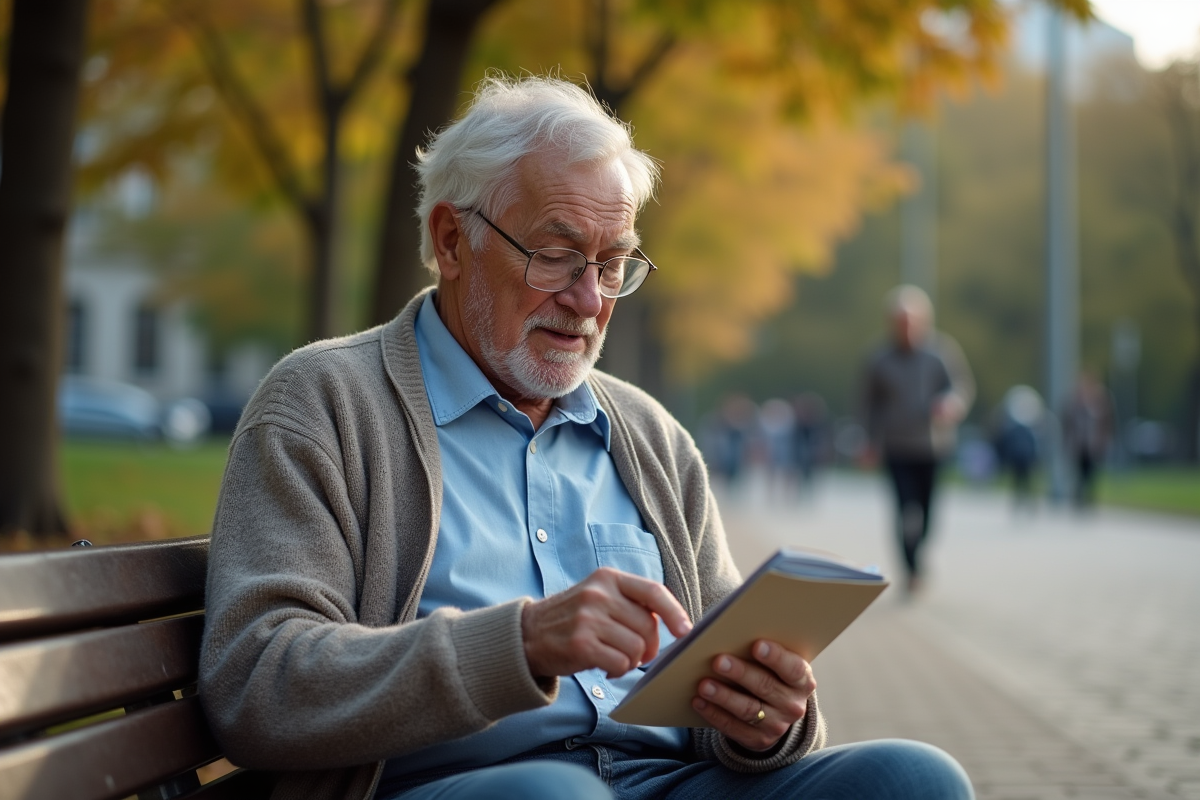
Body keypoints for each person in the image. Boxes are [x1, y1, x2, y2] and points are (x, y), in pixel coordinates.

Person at [199, 77, 973, 800]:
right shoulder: (324, 402)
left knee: (915, 779)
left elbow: (747, 697)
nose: (588, 300)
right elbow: (258, 683)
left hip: (663, 778)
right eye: (559, 255)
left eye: (613, 266)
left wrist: (773, 716)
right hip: (479, 786)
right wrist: (521, 643)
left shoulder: (650, 436)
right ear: (452, 240)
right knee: (558, 794)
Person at [860, 285, 974, 595]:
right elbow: (868, 403)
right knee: (904, 509)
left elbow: (961, 387)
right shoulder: (879, 358)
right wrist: (869, 442)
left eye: (912, 322)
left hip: (933, 446)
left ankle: (919, 552)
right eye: (900, 322)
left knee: (927, 512)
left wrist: (952, 404)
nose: (907, 329)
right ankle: (911, 569)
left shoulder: (941, 351)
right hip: (897, 446)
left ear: (924, 321)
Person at [1062, 373, 1113, 509]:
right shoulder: (1074, 408)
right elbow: (1068, 427)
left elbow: (1106, 426)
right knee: (1079, 473)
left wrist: (1103, 442)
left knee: (1090, 474)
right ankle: (1079, 498)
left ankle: (1088, 498)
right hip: (1078, 446)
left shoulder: (1098, 407)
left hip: (1093, 446)